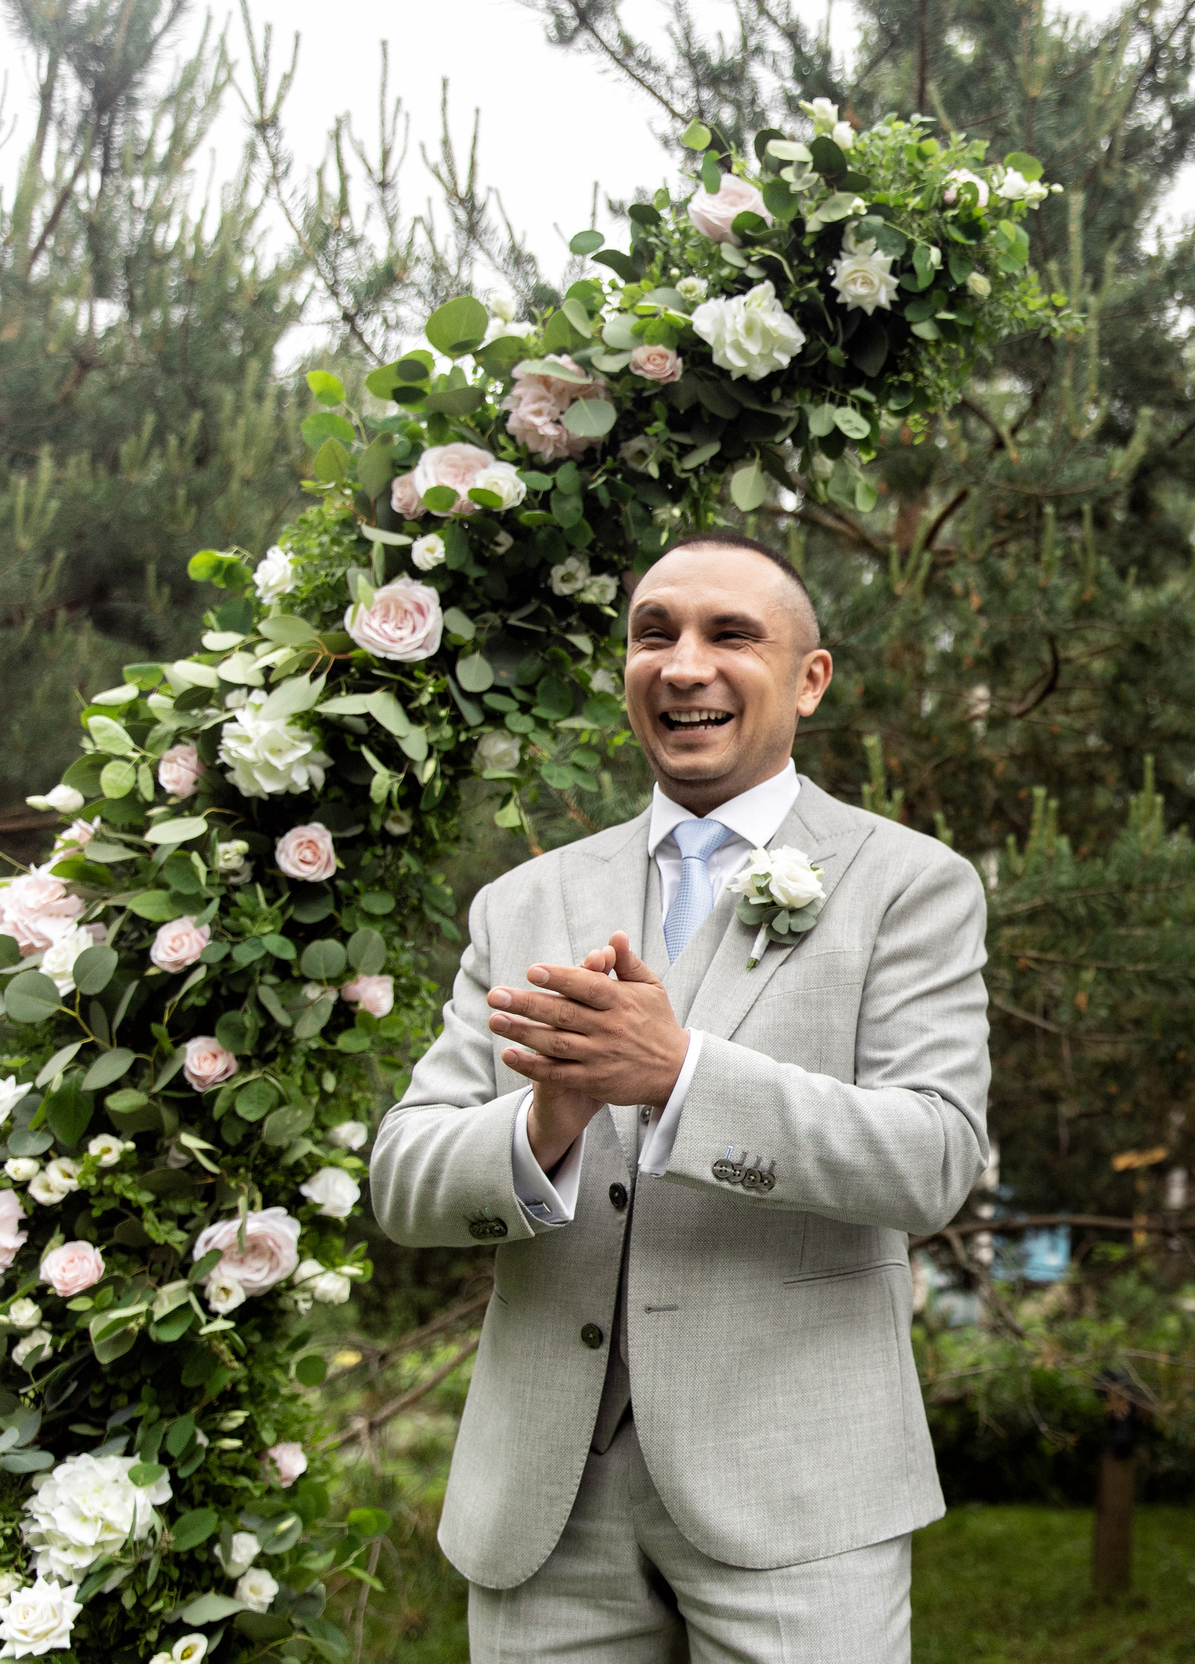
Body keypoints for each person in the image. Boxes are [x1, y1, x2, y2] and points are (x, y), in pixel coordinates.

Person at [372, 533, 991, 1663]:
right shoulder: (524, 901)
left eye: (730, 635)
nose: (683, 663)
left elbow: (934, 1160)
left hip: (797, 1495)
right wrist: (542, 1124)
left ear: (810, 679)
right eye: (653, 633)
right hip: (544, 1509)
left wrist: (682, 1078)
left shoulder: (909, 884)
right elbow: (405, 1180)